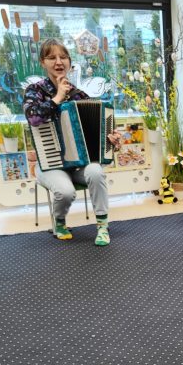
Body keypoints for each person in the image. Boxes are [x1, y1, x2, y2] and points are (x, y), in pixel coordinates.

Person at [23, 38, 121, 246]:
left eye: (63, 57)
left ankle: (103, 226)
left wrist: (111, 140)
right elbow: (33, 118)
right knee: (66, 192)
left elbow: (97, 131)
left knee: (96, 171)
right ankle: (59, 222)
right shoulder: (34, 91)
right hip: (50, 164)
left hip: (78, 166)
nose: (59, 62)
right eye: (52, 57)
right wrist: (58, 97)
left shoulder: (78, 95)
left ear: (69, 61)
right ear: (42, 62)